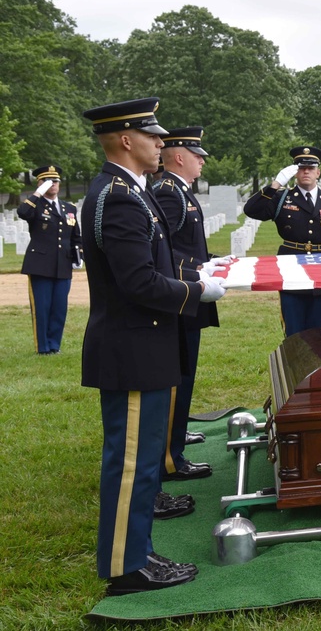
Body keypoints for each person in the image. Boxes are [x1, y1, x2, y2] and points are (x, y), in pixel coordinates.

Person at [80, 97, 226, 594]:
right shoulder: (118, 195)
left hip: (143, 344)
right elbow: (137, 282)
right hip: (133, 347)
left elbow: (154, 266)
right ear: (125, 139)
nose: (161, 143)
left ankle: (136, 551)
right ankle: (125, 568)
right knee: (132, 464)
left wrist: (192, 272)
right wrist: (195, 290)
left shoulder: (129, 191)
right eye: (152, 135)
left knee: (142, 463)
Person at [154, 126, 225, 483]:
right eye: (197, 156)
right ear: (179, 157)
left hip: (187, 292)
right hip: (180, 296)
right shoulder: (169, 193)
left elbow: (184, 245)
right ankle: (170, 456)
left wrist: (207, 261)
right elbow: (163, 252)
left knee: (186, 374)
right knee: (177, 377)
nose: (201, 162)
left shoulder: (179, 190)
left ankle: (177, 437)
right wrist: (197, 272)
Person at [243, 147, 321, 337]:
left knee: (319, 331)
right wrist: (275, 184)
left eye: (310, 168)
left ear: (318, 172)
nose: (306, 171)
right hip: (290, 268)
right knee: (293, 331)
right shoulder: (281, 198)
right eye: (301, 168)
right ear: (294, 172)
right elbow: (251, 210)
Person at [16, 165, 82, 355]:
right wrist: (38, 193)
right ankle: (42, 347)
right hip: (40, 264)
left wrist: (79, 255)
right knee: (42, 308)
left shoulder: (68, 208)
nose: (53, 184)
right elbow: (22, 213)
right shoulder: (35, 206)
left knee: (59, 308)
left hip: (63, 264)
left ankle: (54, 345)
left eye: (56, 181)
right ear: (40, 184)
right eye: (48, 181)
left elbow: (76, 236)